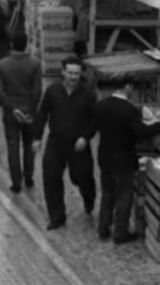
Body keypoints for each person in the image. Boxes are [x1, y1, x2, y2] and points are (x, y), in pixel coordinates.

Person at [84, 81, 160, 244]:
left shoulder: (101, 106)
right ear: (127, 87)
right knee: (124, 196)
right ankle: (120, 232)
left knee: (108, 193)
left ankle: (103, 227)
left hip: (105, 157)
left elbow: (92, 127)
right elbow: (141, 132)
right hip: (124, 159)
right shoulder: (129, 110)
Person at [32, 57, 97, 230]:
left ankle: (89, 198)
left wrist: (85, 137)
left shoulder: (88, 93)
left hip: (79, 144)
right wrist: (37, 138)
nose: (73, 77)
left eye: (76, 73)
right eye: (70, 73)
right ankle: (57, 216)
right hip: (56, 142)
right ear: (63, 72)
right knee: (51, 176)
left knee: (82, 177)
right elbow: (42, 114)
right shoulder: (53, 91)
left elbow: (95, 119)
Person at [0, 32, 42, 193]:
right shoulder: (35, 64)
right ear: (26, 44)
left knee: (12, 146)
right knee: (29, 146)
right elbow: (37, 91)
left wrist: (13, 108)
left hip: (11, 112)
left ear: (11, 44)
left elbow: (0, 92)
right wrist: (30, 110)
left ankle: (16, 182)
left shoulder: (2, 65)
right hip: (29, 110)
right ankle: (29, 177)